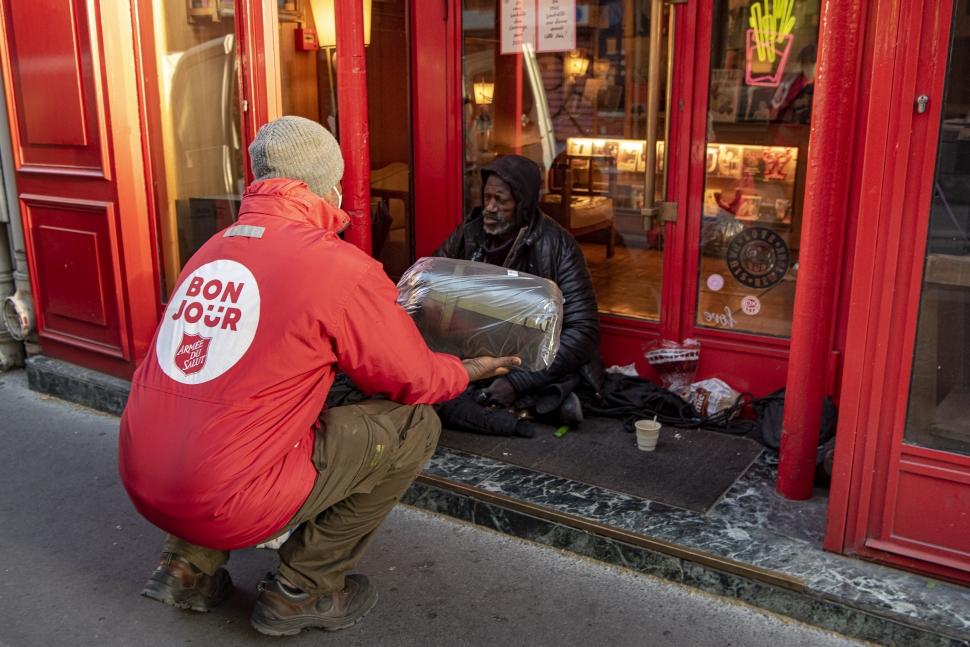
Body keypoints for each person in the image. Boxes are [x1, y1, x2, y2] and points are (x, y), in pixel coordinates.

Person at [118, 116, 519, 636]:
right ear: (324, 185)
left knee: (227, 416)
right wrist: (467, 369)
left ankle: (185, 567)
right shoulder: (336, 267)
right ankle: (302, 590)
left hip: (141, 476)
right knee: (415, 425)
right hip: (228, 496)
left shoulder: (211, 250)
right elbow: (415, 379)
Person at [434, 154, 602, 437]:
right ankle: (537, 406)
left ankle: (529, 398)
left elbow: (583, 329)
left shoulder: (556, 244)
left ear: (523, 205)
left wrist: (518, 381)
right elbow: (432, 289)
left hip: (526, 359)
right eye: (487, 197)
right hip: (473, 355)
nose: (489, 208)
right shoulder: (469, 233)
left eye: (501, 201)